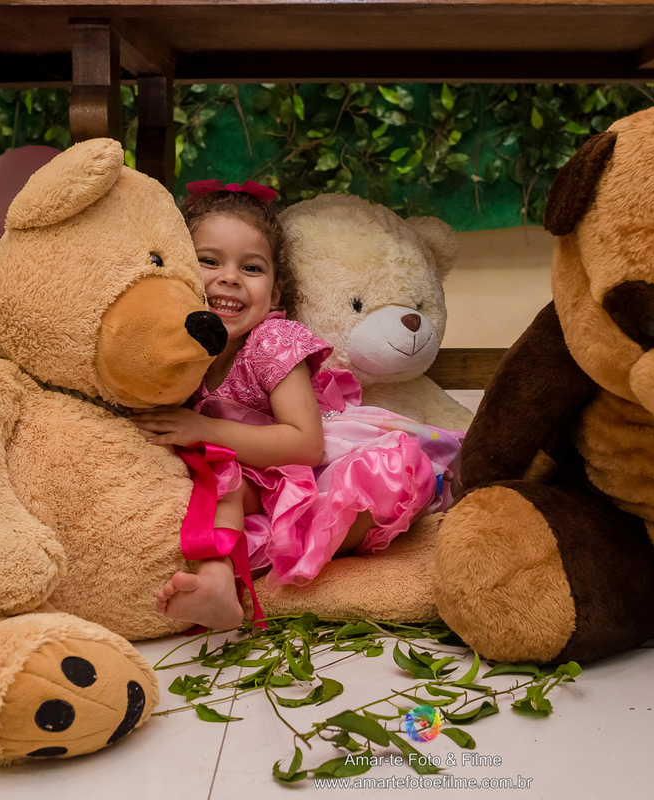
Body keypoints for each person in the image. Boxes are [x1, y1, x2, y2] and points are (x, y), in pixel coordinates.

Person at [131, 180, 462, 631]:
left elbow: (305, 443)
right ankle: (219, 587)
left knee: (371, 491)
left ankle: (224, 577)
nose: (229, 277)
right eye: (209, 262)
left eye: (251, 268)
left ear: (276, 292)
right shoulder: (182, 353)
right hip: (253, 477)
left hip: (313, 464)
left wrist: (202, 429)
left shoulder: (271, 342)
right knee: (214, 488)